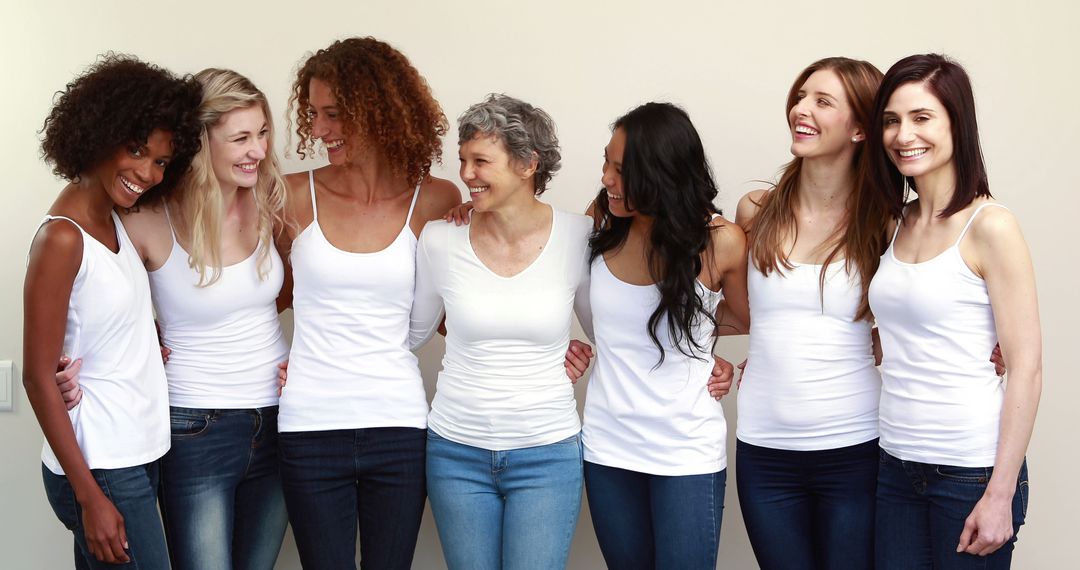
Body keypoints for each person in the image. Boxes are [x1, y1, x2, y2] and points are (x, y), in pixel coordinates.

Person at [276, 37, 460, 569]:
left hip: (398, 425)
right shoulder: (288, 196)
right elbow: (258, 297)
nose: (318, 131)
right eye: (313, 114)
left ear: (379, 112)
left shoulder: (436, 199)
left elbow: (461, 312)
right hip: (309, 425)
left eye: (334, 115)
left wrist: (545, 350)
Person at [24, 54, 201, 568]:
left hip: (137, 450)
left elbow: (98, 321)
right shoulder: (63, 238)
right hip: (100, 466)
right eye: (136, 150)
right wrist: (89, 497)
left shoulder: (116, 222)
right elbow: (37, 377)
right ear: (98, 133)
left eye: (161, 162)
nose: (146, 173)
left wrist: (144, 343)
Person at [868, 53, 1041, 569]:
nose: (903, 135)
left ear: (956, 124)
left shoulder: (991, 225)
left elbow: (1026, 367)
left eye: (922, 118)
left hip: (971, 472)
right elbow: (904, 330)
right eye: (891, 121)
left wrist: (1000, 493)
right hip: (894, 462)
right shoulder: (895, 222)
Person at [411, 94, 591, 570]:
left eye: (481, 161)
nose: (466, 174)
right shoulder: (439, 239)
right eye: (463, 160)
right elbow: (409, 334)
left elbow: (617, 329)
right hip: (455, 453)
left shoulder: (579, 237)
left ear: (528, 164)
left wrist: (704, 356)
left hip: (547, 455)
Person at [724, 57, 888, 570]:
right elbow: (732, 312)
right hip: (764, 450)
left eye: (822, 101)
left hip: (854, 448)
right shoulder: (756, 210)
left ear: (861, 126)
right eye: (800, 96)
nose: (801, 108)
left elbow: (921, 310)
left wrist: (984, 348)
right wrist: (694, 355)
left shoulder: (885, 222)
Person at [578, 102, 749, 570]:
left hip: (685, 453)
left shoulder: (721, 241)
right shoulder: (602, 222)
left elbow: (753, 318)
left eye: (620, 169)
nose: (607, 178)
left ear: (661, 173)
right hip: (608, 448)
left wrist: (706, 342)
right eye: (606, 164)